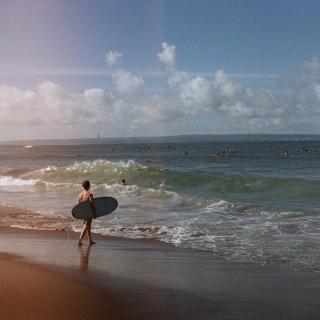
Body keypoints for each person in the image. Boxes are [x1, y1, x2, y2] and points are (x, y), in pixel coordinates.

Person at [77, 180, 96, 246]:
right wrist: (94, 213)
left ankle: (90, 240)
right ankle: (80, 240)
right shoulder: (89, 194)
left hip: (84, 212)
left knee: (89, 226)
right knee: (86, 226)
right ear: (89, 186)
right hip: (89, 212)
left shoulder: (80, 194)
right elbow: (92, 204)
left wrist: (81, 214)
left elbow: (79, 205)